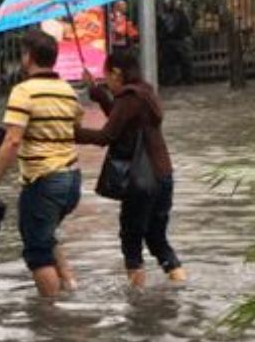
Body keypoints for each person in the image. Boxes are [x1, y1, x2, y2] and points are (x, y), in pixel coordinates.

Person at [0, 28, 84, 299]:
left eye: (23, 53)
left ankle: (52, 318)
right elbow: (71, 128)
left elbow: (13, 141)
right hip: (72, 180)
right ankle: (71, 286)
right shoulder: (69, 91)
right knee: (46, 234)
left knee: (37, 251)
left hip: (44, 180)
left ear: (29, 57)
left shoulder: (23, 91)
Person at [78, 51, 184, 288]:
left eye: (107, 76)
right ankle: (180, 284)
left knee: (131, 241)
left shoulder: (129, 99)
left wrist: (70, 133)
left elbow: (107, 135)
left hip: (141, 180)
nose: (107, 81)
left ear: (117, 73)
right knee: (157, 239)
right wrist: (98, 93)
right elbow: (121, 119)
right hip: (163, 175)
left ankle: (138, 301)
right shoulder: (145, 93)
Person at [158, 0, 194, 85]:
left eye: (169, 3)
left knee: (185, 60)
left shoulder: (180, 14)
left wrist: (186, 36)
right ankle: (170, 80)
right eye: (166, 4)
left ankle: (188, 79)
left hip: (179, 40)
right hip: (167, 41)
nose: (167, 5)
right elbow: (160, 28)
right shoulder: (162, 16)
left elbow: (186, 26)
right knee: (168, 62)